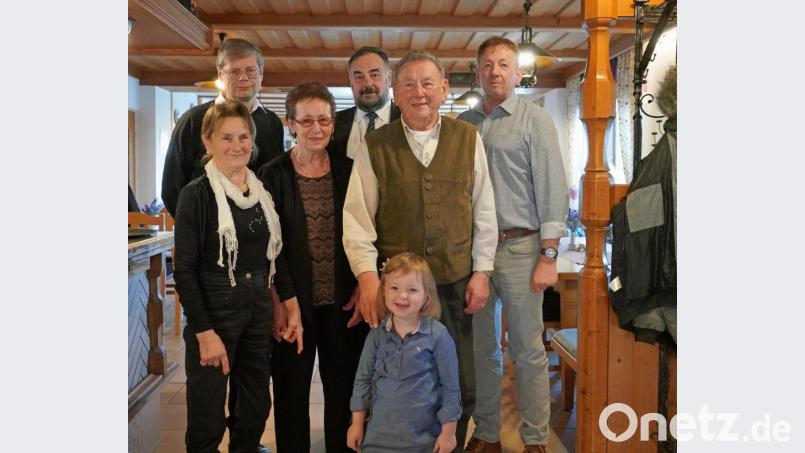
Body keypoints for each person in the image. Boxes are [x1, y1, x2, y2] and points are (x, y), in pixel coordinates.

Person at [342, 50, 498, 452]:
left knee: (460, 380)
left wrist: (482, 271)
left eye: (428, 83)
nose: (419, 93)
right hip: (397, 293)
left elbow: (484, 209)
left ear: (444, 89)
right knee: (397, 382)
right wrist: (368, 278)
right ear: (395, 92)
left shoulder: (468, 139)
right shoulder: (375, 145)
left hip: (455, 282)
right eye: (408, 84)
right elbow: (357, 220)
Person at [457, 37, 569, 453]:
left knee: (527, 352)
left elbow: (552, 187)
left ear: (517, 73)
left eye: (504, 64)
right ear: (478, 72)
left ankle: (536, 438)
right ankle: (488, 434)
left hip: (523, 250)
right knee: (483, 351)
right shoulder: (465, 125)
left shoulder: (533, 120)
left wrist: (549, 255)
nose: (495, 72)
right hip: (477, 254)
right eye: (488, 65)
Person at [257, 81, 368, 453]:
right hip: (293, 305)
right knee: (290, 394)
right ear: (291, 124)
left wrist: (360, 285)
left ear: (334, 123)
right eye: (306, 121)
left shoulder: (350, 170)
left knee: (343, 391)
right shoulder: (271, 175)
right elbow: (271, 250)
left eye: (324, 120)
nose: (316, 129)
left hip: (342, 304)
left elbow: (366, 231)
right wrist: (280, 300)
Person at [172, 100, 284, 453]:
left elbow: (273, 256)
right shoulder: (196, 195)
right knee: (207, 410)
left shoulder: (261, 190)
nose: (237, 145)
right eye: (226, 138)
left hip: (257, 308)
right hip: (215, 312)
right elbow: (184, 270)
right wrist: (204, 331)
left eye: (243, 137)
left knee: (254, 406)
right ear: (208, 142)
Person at [347, 252, 461, 453]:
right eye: (394, 287)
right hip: (377, 441)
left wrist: (449, 433)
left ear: (426, 294)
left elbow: (450, 388)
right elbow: (362, 380)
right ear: (383, 291)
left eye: (412, 289)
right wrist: (356, 424)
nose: (402, 296)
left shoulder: (438, 336)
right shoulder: (376, 335)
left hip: (424, 441)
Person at [162, 38, 285, 217]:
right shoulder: (194, 120)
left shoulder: (272, 122)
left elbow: (275, 180)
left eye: (251, 70)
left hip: (260, 233)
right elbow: (172, 187)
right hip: (208, 233)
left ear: (261, 73)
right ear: (220, 74)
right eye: (234, 72)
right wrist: (195, 228)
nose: (244, 78)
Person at [328, 47, 400, 160]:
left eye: (375, 75)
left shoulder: (408, 120)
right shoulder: (334, 122)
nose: (367, 83)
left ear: (389, 78)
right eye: (359, 77)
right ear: (350, 81)